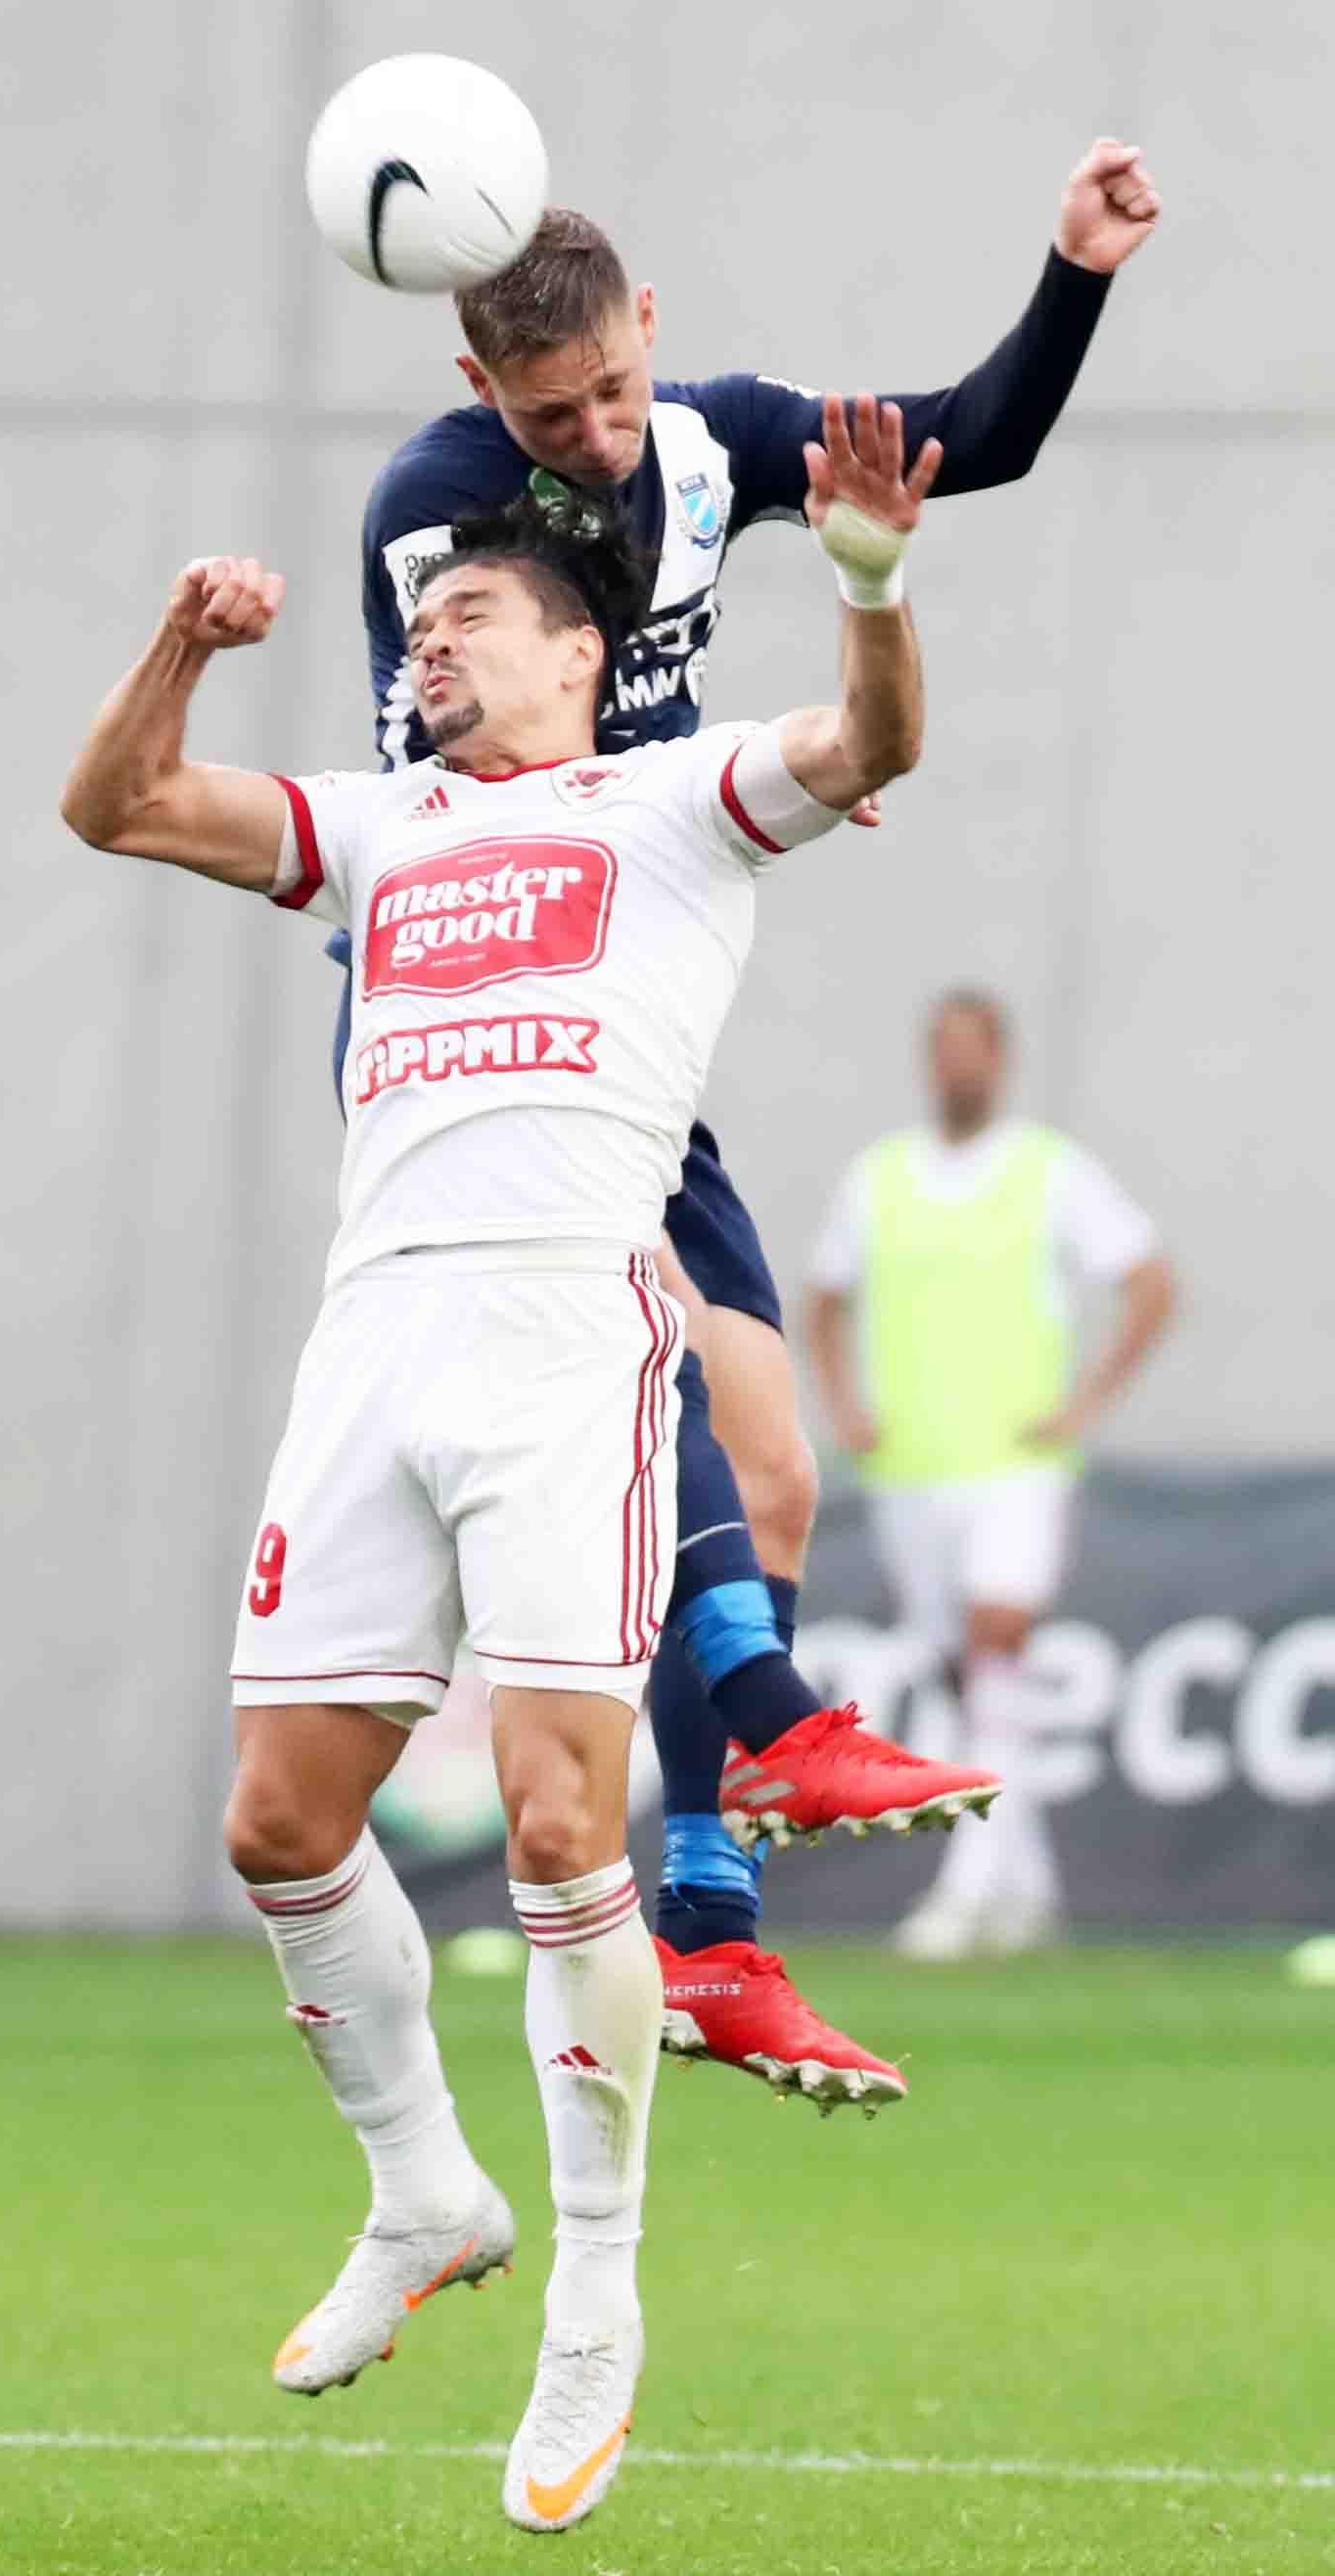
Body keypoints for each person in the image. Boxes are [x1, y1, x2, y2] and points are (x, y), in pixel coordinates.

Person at [62, 393, 935, 2532]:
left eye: (469, 614)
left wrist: (868, 577)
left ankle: (598, 2304)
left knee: (557, 1820)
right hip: (372, 1340)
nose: (431, 638)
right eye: (422, 619)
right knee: (279, 1824)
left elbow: (871, 742)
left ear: (574, 650)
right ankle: (424, 2193)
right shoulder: (375, 824)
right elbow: (115, 805)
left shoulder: (670, 802)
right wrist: (182, 646)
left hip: (564, 1336)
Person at [342, 138, 1163, 2079]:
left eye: (616, 388)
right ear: (479, 392)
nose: (597, 435)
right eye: (552, 412)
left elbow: (969, 442)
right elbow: (489, 754)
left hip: (622, 1025)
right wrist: (726, 780)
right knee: (668, 1392)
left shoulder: (706, 439)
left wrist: (1072, 275)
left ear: (649, 328)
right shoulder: (439, 506)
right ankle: (775, 1722)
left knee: (772, 1467)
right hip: (482, 1026)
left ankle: (711, 1934)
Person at [803, 989, 1176, 1955]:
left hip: (1018, 1464)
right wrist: (845, 1407)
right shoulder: (880, 1178)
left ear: (1000, 1060)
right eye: (941, 1049)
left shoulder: (1051, 1171)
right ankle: (1028, 1884)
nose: (954, 1066)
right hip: (910, 1469)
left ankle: (967, 1888)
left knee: (993, 1646)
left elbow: (1149, 1283)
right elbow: (825, 1299)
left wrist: (1086, 1403)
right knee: (966, 1679)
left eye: (970, 1049)